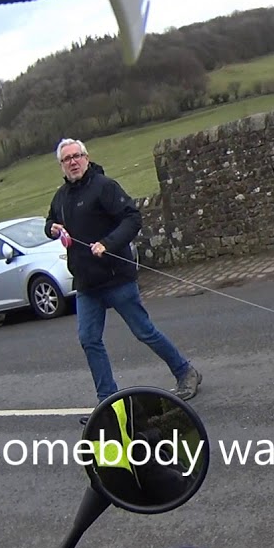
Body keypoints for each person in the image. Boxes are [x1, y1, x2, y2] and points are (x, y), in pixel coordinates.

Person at [45, 138, 201, 416]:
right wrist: (52, 229)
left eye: (77, 156)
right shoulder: (61, 197)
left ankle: (185, 371)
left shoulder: (104, 187)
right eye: (67, 159)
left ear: (87, 157)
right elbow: (50, 222)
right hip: (86, 286)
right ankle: (108, 400)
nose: (73, 162)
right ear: (61, 166)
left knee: (144, 331)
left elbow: (132, 218)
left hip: (117, 278)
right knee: (89, 339)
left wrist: (108, 243)